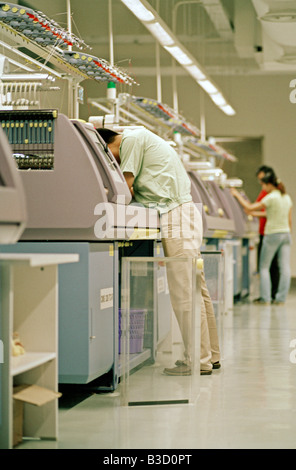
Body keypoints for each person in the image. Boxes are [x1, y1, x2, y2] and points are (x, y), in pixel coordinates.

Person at [96, 126, 221, 375]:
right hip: (183, 215)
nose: (112, 161)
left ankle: (198, 361)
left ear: (110, 142)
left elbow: (126, 189)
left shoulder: (130, 140)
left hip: (176, 218)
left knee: (185, 293)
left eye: (108, 154)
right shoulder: (142, 138)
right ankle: (210, 356)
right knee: (197, 291)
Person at [231, 171, 292, 305]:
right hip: (286, 234)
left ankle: (266, 298)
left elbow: (249, 206)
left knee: (264, 267)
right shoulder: (286, 197)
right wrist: (253, 213)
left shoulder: (271, 197)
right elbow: (283, 218)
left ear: (269, 184)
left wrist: (236, 195)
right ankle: (280, 299)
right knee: (285, 267)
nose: (263, 188)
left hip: (272, 235)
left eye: (263, 185)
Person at [253, 166, 279, 303]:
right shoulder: (278, 194)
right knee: (273, 266)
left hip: (268, 232)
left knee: (265, 266)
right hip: (270, 232)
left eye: (262, 180)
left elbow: (254, 207)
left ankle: (266, 296)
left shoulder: (269, 194)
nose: (261, 182)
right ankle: (273, 295)